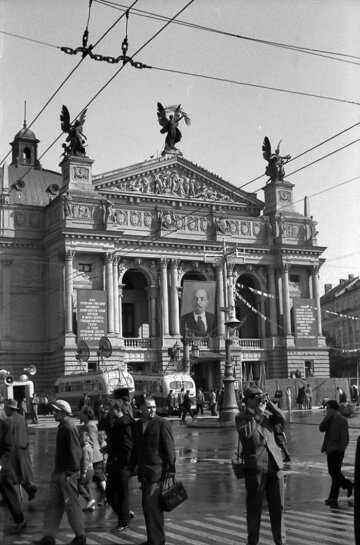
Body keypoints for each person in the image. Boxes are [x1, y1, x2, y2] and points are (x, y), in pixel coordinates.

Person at [235, 386, 286, 545]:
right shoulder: (241, 417)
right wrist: (257, 415)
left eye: (260, 397)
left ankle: (281, 541)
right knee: (254, 509)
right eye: (256, 397)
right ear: (248, 400)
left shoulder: (267, 413)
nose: (259, 400)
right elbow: (246, 434)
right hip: (256, 467)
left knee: (278, 508)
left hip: (275, 466)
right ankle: (252, 541)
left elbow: (282, 418)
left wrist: (269, 403)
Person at [34, 399, 86, 545]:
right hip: (59, 473)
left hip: (66, 474)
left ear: (64, 412)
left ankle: (80, 536)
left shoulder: (68, 427)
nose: (54, 413)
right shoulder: (63, 426)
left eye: (56, 411)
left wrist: (70, 473)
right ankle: (48, 536)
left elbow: (76, 453)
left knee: (71, 506)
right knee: (53, 505)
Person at [130, 397, 176, 545]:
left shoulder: (162, 423)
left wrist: (170, 469)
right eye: (149, 407)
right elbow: (135, 448)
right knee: (147, 506)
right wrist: (131, 467)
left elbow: (169, 447)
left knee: (152, 506)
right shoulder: (137, 425)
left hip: (157, 471)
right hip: (144, 471)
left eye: (154, 407)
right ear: (141, 408)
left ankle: (157, 540)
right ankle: (153, 538)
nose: (152, 410)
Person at [104, 400, 134, 532]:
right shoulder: (119, 422)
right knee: (110, 493)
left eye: (111, 410)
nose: (110, 412)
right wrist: (108, 448)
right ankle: (125, 515)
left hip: (121, 465)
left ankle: (124, 521)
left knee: (120, 494)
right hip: (116, 464)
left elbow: (127, 445)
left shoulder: (124, 423)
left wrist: (120, 459)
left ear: (118, 409)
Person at [319, 399, 353, 507]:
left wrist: (341, 449)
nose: (326, 410)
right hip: (330, 449)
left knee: (335, 473)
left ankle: (333, 497)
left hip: (337, 450)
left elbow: (345, 437)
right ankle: (347, 484)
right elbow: (321, 428)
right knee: (333, 472)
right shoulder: (329, 419)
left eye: (328, 408)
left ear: (333, 409)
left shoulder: (342, 420)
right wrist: (326, 419)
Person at [4, 398, 38, 501]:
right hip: (24, 448)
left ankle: (9, 498)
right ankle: (29, 488)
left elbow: (6, 437)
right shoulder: (21, 419)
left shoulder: (8, 421)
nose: (4, 411)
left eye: (5, 408)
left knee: (9, 475)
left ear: (9, 409)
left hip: (13, 451)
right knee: (22, 473)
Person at [0, 417, 27, 531]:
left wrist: (1, 463)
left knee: (8, 493)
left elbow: (8, 447)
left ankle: (20, 519)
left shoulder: (3, 426)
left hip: (1, 468)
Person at [78, 430, 96, 511]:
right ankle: (91, 505)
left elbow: (85, 460)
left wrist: (84, 472)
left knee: (80, 486)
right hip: (91, 469)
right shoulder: (90, 446)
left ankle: (89, 500)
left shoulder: (85, 449)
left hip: (87, 469)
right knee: (88, 487)